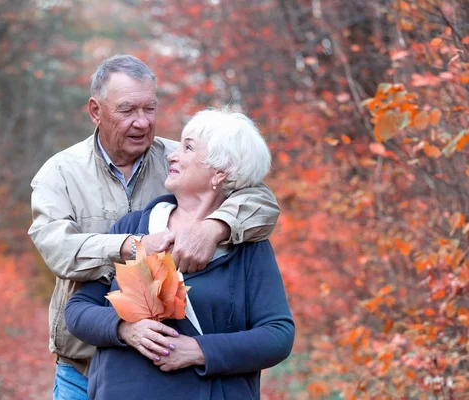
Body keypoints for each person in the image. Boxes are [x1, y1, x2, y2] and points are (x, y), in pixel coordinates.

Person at [28, 55, 281, 400]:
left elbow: (260, 197)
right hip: (82, 362)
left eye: (150, 108)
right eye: (127, 110)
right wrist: (131, 247)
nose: (142, 122)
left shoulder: (179, 159)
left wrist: (215, 227)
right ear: (95, 111)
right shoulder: (60, 174)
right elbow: (58, 251)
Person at [64, 108, 295, 400]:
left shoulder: (248, 246)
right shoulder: (133, 227)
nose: (172, 155)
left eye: (188, 147)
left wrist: (199, 351)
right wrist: (124, 329)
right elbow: (77, 310)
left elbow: (278, 335)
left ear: (220, 171)